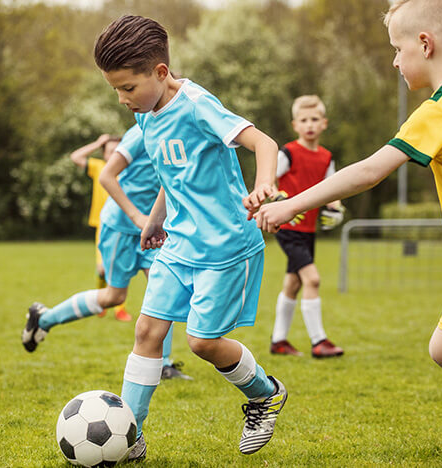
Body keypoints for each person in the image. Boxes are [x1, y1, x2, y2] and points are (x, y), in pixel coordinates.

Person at [93, 15, 287, 460]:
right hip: (178, 243)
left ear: (161, 73)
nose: (122, 99)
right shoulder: (146, 115)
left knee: (202, 343)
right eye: (116, 90)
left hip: (225, 247)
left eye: (127, 88)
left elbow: (266, 143)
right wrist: (155, 219)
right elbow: (171, 174)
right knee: (147, 330)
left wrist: (263, 186)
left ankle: (265, 394)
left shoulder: (198, 105)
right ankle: (130, 436)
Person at [257, 0, 442, 383]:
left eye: (398, 49)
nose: (396, 62)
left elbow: (368, 172)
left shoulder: (440, 109)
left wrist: (290, 206)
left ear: (426, 44)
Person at [21, 124, 192, 380]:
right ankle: (43, 319)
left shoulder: (177, 134)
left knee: (164, 290)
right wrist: (137, 217)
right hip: (121, 228)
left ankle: (163, 364)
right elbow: (106, 177)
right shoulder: (140, 133)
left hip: (153, 229)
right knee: (114, 296)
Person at [269, 95, 344, 358]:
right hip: (288, 228)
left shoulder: (326, 157)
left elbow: (333, 186)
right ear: (295, 125)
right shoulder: (288, 153)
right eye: (304, 120)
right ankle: (319, 342)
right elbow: (269, 180)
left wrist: (336, 208)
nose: (309, 124)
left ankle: (279, 342)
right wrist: (279, 198)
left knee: (293, 284)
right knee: (312, 278)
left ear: (324, 123)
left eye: (314, 119)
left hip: (309, 230)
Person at [70, 134, 131, 321]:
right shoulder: (98, 167)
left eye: (117, 151)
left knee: (119, 266)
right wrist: (98, 143)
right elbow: (76, 157)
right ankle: (101, 301)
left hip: (124, 226)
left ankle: (120, 308)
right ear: (104, 154)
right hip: (103, 224)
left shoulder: (128, 170)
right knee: (102, 269)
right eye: (110, 151)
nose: (114, 155)